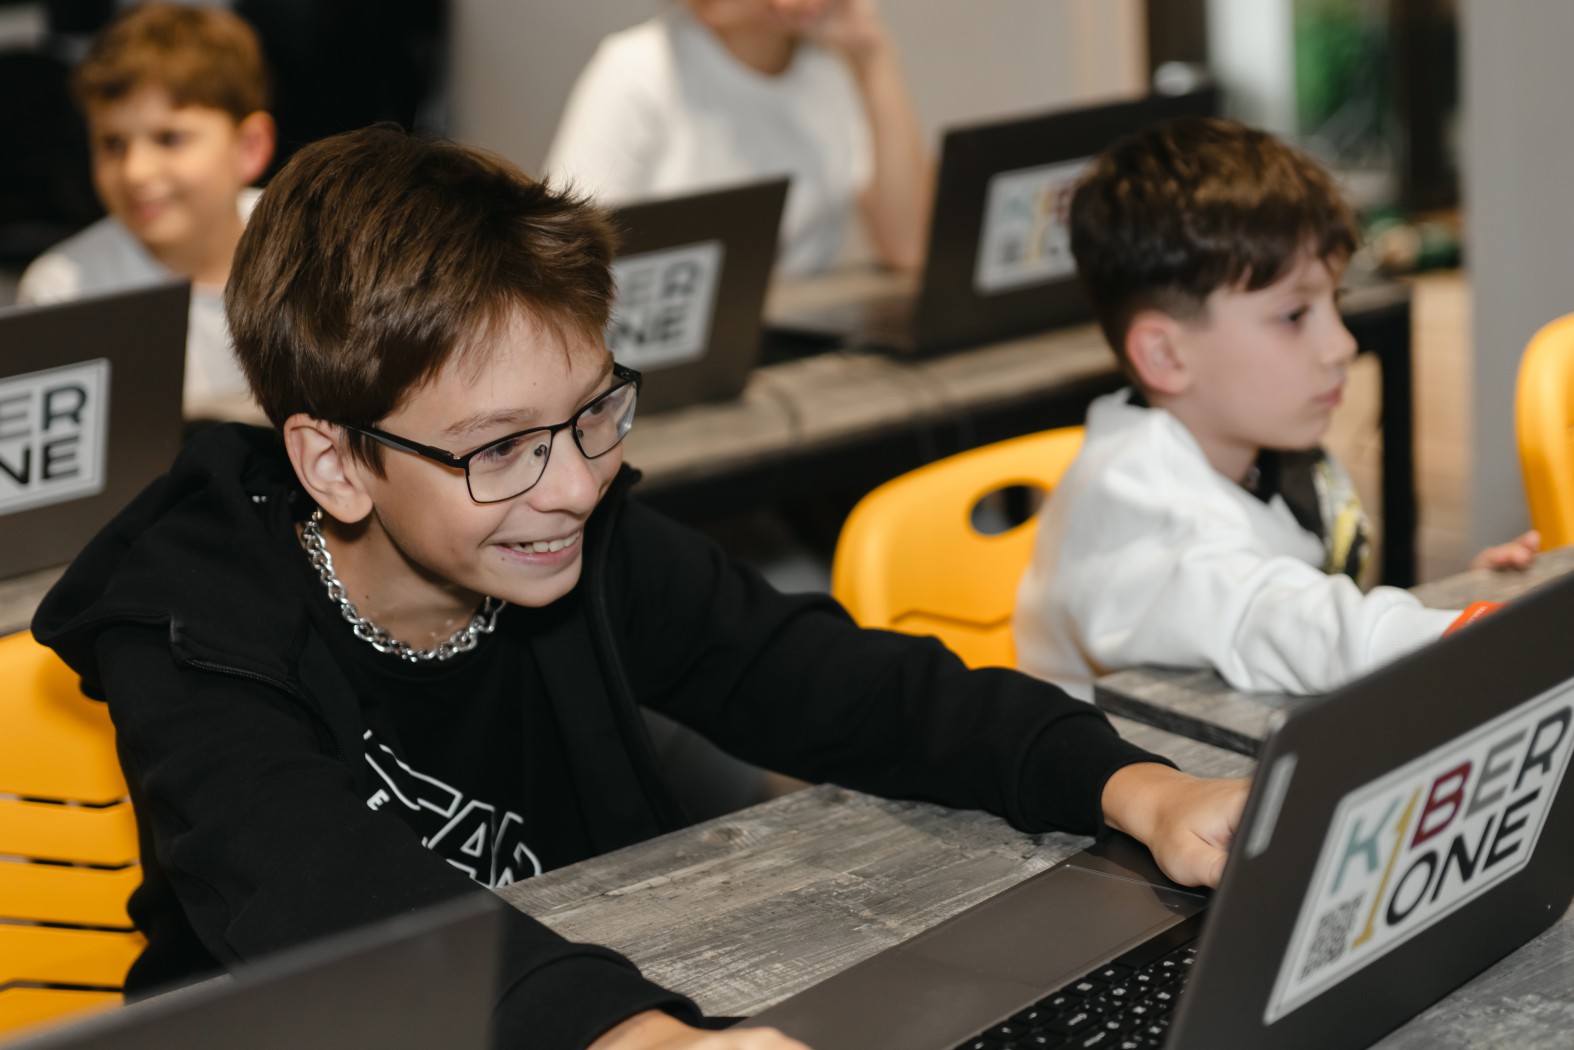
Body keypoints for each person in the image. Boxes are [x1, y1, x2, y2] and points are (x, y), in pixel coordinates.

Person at [33, 127, 1245, 1050]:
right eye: (500, 448)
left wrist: (1129, 785)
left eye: (592, 413)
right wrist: (625, 1034)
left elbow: (834, 682)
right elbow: (325, 897)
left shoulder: (567, 538)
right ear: (336, 462)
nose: (572, 485)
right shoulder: (192, 627)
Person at [1012, 116, 1539, 702]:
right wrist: (1455, 636)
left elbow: (1299, 607)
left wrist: (1453, 606)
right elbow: (1265, 617)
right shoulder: (1135, 512)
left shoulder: (1262, 450)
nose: (1342, 345)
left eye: (1335, 300)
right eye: (1293, 315)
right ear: (1165, 355)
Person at [17, 1, 275, 420]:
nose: (135, 172)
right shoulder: (63, 293)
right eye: (112, 144)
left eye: (169, 138)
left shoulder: (315, 245)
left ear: (249, 147)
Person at [544, 0, 930, 277]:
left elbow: (910, 247)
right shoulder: (637, 67)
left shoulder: (828, 70)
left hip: (800, 334)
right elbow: (562, 263)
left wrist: (871, 51)